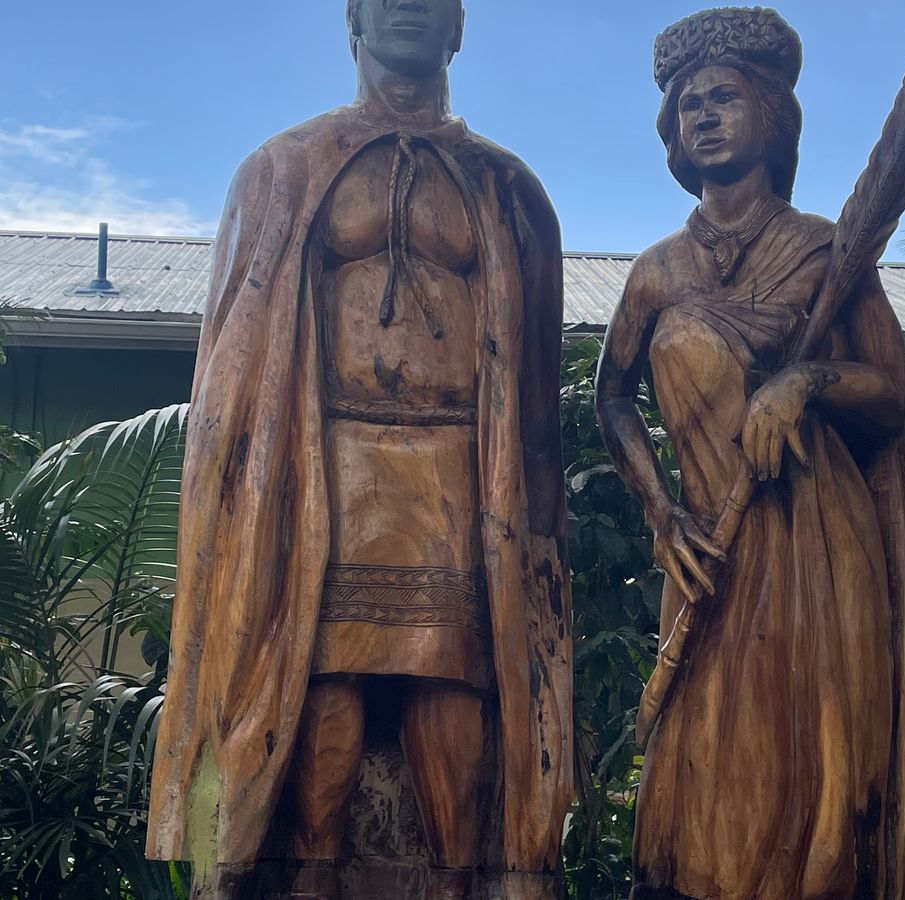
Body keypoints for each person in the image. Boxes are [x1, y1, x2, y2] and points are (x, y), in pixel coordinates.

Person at [146, 2, 572, 898]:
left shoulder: (509, 189)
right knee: (319, 672)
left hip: (460, 472)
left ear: (460, 28)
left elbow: (537, 396)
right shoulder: (283, 169)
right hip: (324, 467)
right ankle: (310, 873)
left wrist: (539, 537)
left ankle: (458, 879)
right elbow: (232, 357)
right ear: (352, 20)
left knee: (450, 676)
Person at [596, 9, 905, 898]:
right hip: (709, 546)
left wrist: (806, 381)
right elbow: (612, 397)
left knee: (814, 765)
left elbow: (889, 394)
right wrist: (661, 513)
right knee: (705, 767)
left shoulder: (825, 254)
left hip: (817, 541)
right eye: (688, 104)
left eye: (723, 97)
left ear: (770, 115)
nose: (702, 114)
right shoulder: (657, 271)